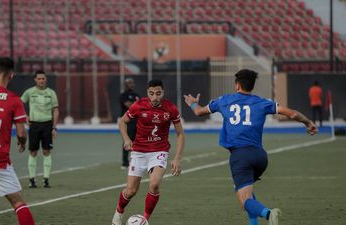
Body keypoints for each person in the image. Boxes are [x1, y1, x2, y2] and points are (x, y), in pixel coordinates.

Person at [184, 69, 317, 225]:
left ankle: (268, 214)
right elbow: (292, 114)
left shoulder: (224, 100)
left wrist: (193, 103)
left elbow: (199, 111)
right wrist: (308, 122)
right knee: (244, 196)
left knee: (244, 201)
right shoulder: (262, 102)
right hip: (260, 156)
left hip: (240, 157)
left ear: (237, 85)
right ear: (252, 85)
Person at [111, 79, 185, 225]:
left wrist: (177, 158)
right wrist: (126, 139)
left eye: (158, 93)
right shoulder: (139, 105)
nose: (155, 97)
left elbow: (180, 134)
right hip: (139, 152)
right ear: (147, 93)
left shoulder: (171, 108)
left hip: (159, 150)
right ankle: (118, 213)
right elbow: (122, 122)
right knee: (131, 191)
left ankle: (144, 220)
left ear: (163, 92)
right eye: (151, 93)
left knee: (154, 184)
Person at [0, 57, 36, 225]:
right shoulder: (13, 100)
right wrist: (22, 141)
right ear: (11, 75)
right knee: (17, 202)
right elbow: (21, 132)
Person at [21, 70, 59, 188]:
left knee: (46, 151)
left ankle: (46, 179)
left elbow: (56, 110)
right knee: (33, 152)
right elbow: (19, 104)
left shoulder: (51, 93)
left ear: (46, 79)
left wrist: (54, 127)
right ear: (35, 79)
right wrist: (25, 116)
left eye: (43, 78)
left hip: (47, 125)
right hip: (34, 125)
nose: (41, 80)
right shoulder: (30, 92)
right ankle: (32, 180)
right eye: (39, 78)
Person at [119, 78, 140, 169]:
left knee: (138, 140)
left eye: (132, 82)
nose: (131, 84)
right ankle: (125, 163)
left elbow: (140, 106)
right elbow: (129, 105)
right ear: (125, 84)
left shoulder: (137, 95)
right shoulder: (123, 95)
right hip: (128, 121)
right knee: (127, 140)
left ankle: (136, 160)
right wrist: (136, 105)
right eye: (129, 83)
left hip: (138, 120)